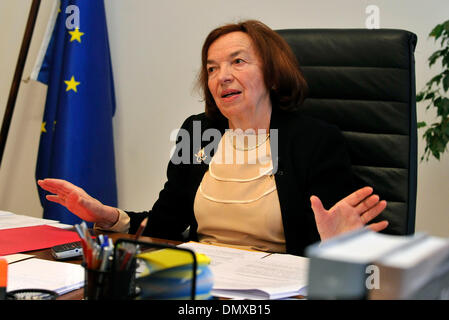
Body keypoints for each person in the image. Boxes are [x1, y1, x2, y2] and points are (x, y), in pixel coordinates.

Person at [38, 20, 388, 256]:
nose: (223, 77)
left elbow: (339, 236)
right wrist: (107, 215)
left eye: (238, 62)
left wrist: (336, 247)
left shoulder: (314, 140)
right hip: (199, 284)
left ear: (273, 74)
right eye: (212, 68)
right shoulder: (198, 133)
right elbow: (164, 225)